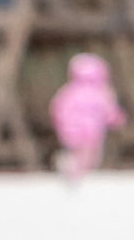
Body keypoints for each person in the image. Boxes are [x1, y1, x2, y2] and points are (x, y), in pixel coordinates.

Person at [49, 53, 126, 185]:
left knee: (77, 152)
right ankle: (79, 173)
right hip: (91, 132)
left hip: (70, 132)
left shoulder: (69, 91)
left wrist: (62, 124)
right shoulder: (101, 93)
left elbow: (57, 108)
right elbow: (109, 111)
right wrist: (118, 120)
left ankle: (71, 165)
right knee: (89, 156)